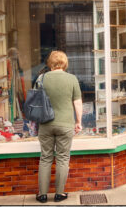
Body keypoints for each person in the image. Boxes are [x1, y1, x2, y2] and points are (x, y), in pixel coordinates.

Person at [35, 51, 83, 203]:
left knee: (45, 158)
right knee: (62, 158)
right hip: (65, 124)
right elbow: (77, 102)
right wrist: (78, 122)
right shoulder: (72, 79)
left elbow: (36, 100)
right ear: (65, 63)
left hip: (45, 124)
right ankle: (59, 194)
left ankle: (42, 195)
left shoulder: (41, 78)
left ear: (50, 63)